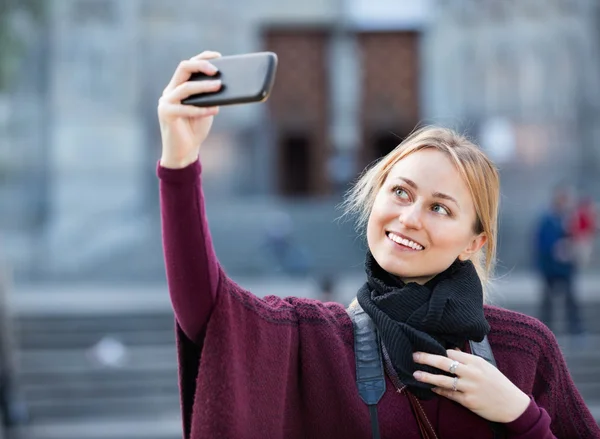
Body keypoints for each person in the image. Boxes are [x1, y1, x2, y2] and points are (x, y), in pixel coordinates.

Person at [157, 51, 600, 439]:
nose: (409, 218)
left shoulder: (524, 350)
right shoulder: (320, 342)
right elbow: (208, 310)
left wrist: (520, 415)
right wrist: (180, 160)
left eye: (440, 208)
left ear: (474, 242)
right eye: (401, 193)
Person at [534, 186, 585, 336]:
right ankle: (545, 331)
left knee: (570, 301)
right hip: (550, 268)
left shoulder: (567, 219)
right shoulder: (547, 220)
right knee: (548, 303)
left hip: (565, 268)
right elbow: (543, 244)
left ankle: (575, 330)